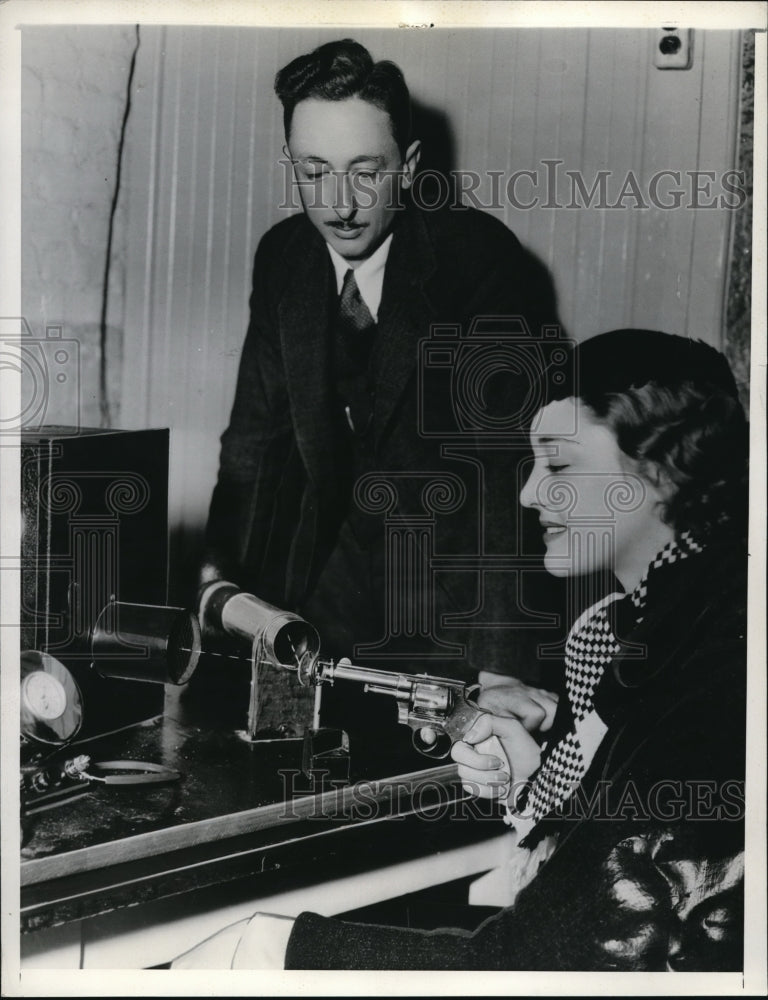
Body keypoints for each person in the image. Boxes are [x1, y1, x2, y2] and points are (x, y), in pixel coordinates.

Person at [171, 328, 748, 970]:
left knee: (238, 951)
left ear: (659, 471)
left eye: (557, 464)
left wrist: (271, 950)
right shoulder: (670, 619)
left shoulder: (707, 666)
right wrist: (537, 779)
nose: (530, 494)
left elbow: (552, 963)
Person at [195, 38, 566, 746]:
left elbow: (501, 472)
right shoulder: (284, 260)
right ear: (291, 167)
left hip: (453, 619)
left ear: (411, 168)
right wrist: (219, 593)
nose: (339, 205)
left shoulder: (478, 263)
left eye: (367, 173)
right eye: (315, 172)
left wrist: (500, 669)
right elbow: (252, 449)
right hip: (322, 609)